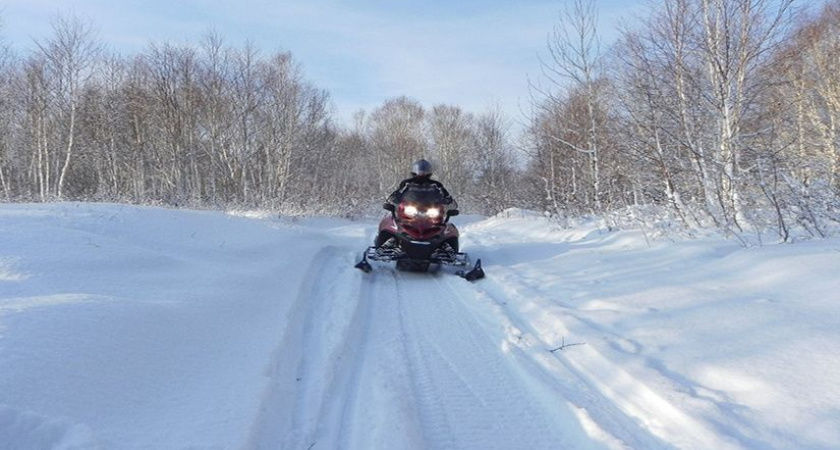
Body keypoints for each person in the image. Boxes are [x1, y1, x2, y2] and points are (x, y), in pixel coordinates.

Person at [386, 159, 454, 206]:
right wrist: (394, 199)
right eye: (420, 171)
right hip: (410, 210)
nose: (422, 174)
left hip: (431, 211)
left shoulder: (436, 185)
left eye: (424, 172)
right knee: (396, 217)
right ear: (415, 171)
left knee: (444, 221)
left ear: (429, 172)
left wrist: (447, 201)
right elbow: (397, 193)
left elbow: (446, 195)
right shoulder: (407, 183)